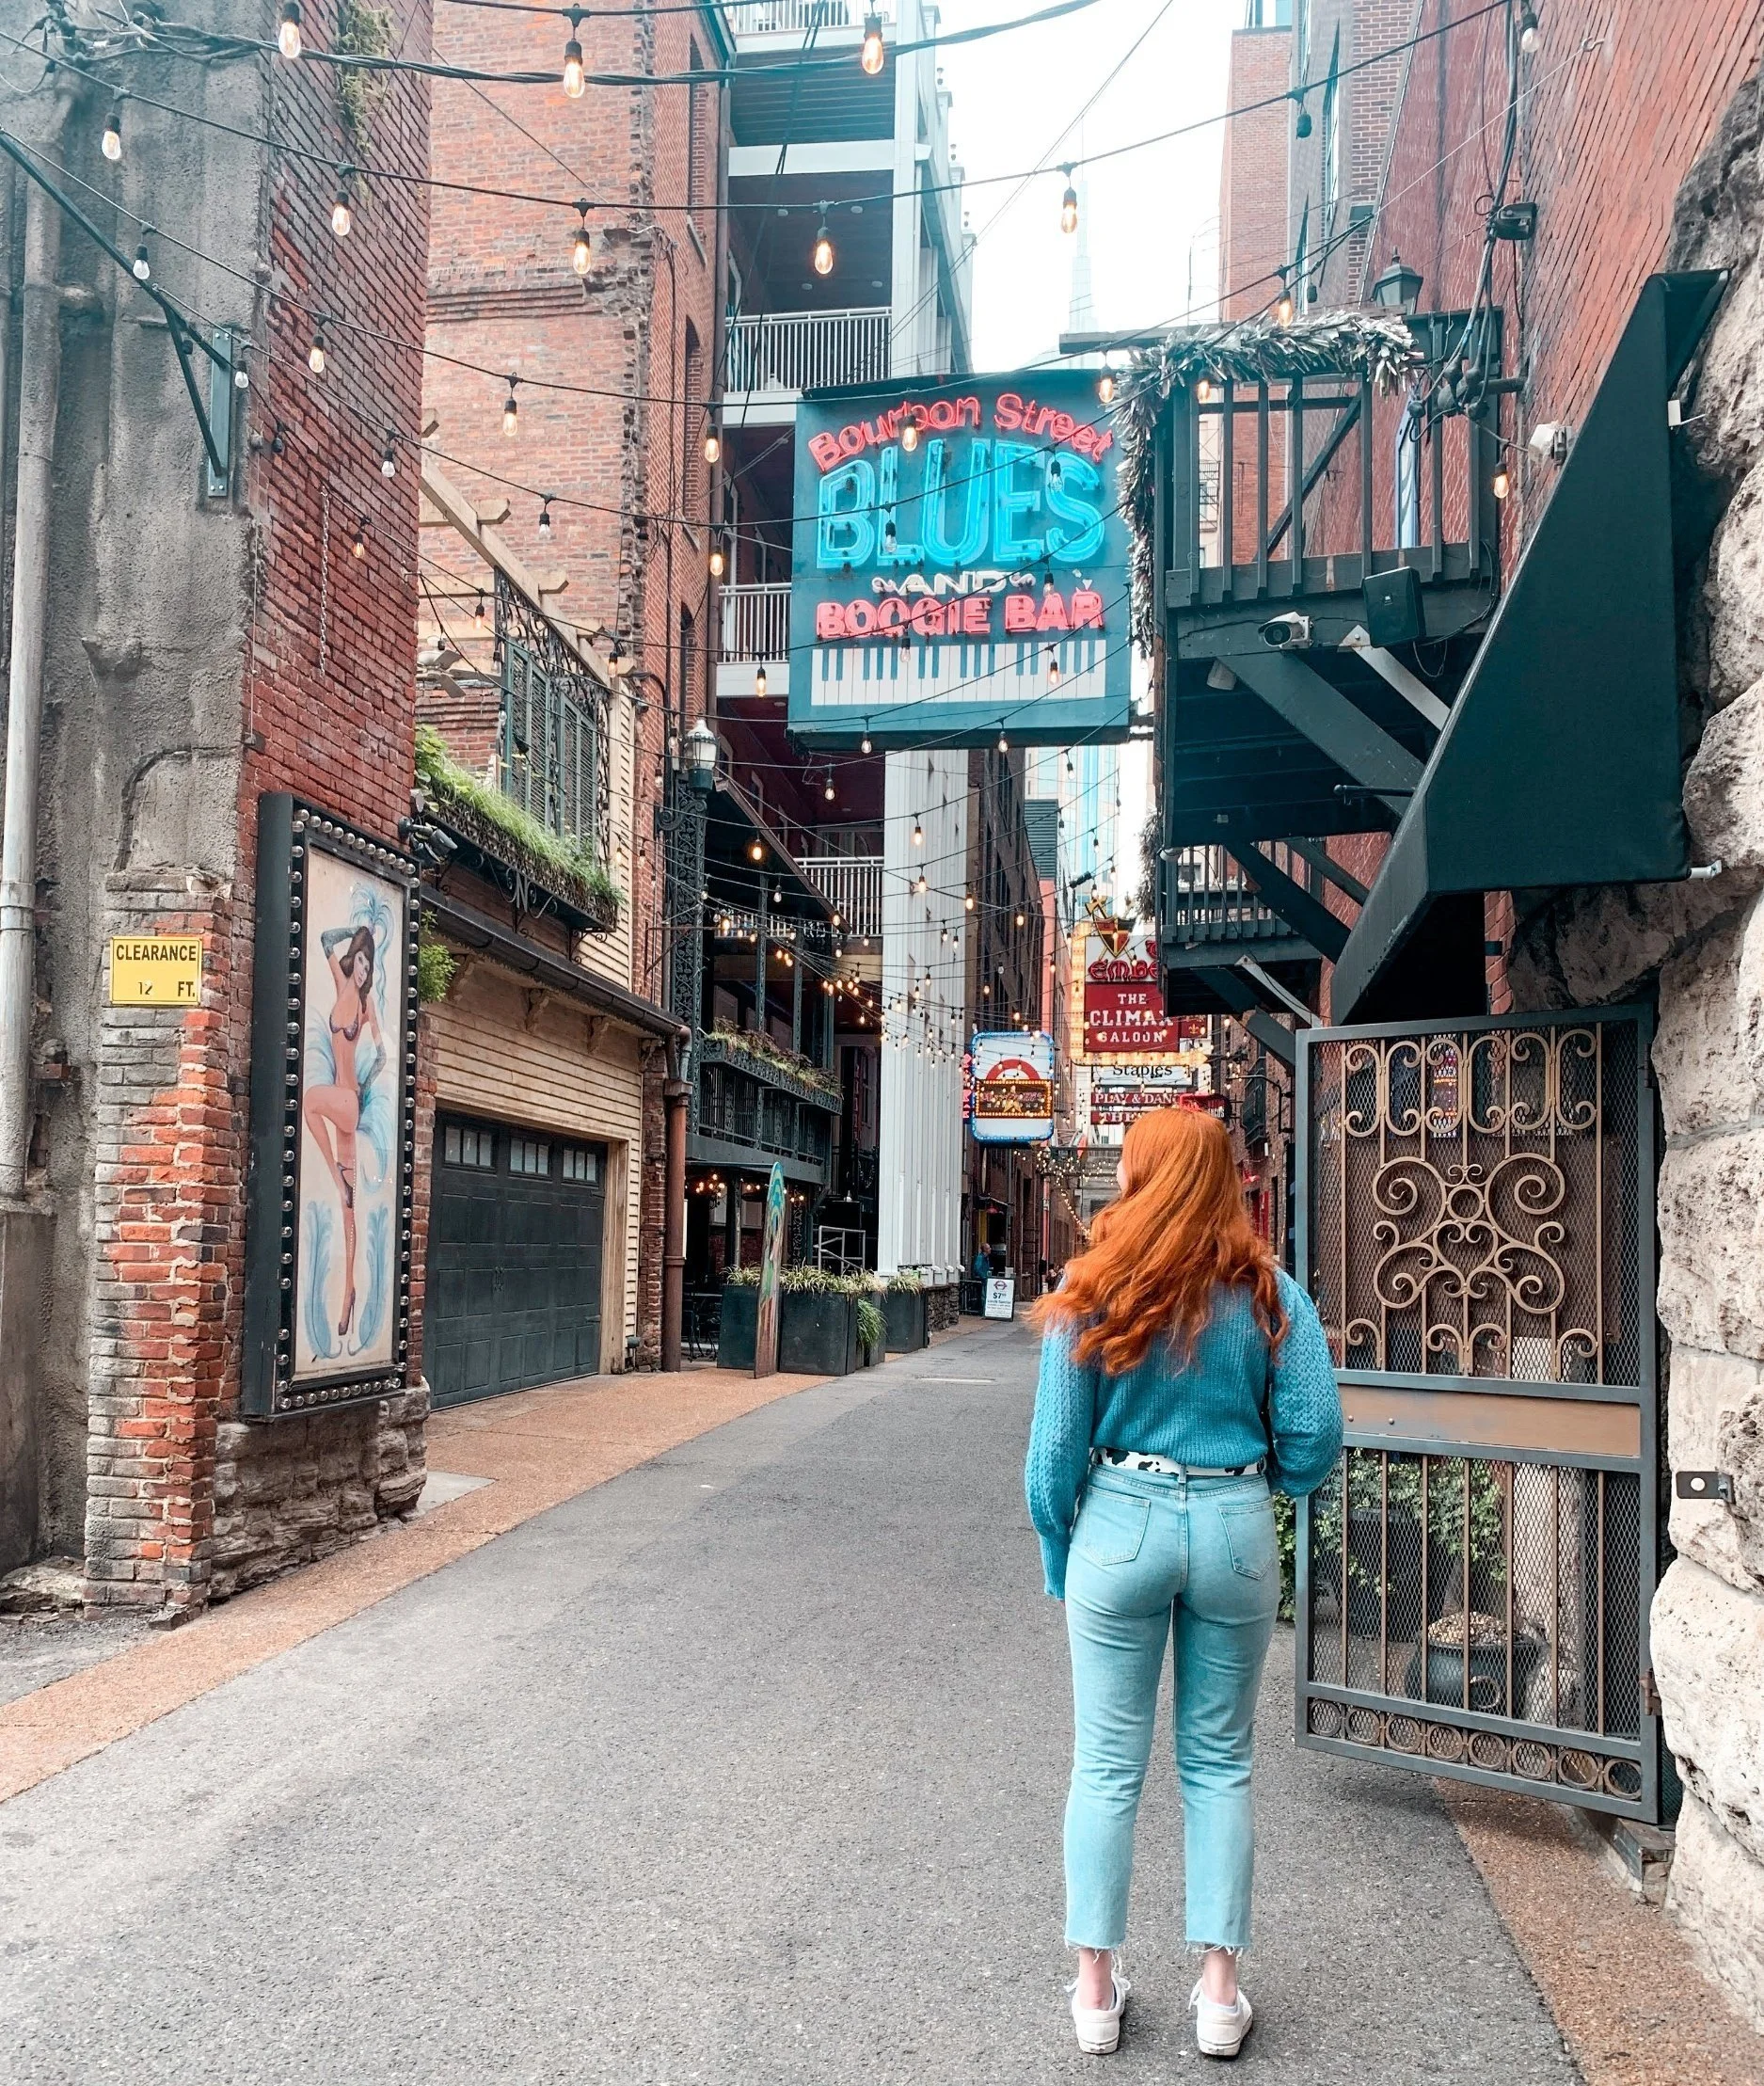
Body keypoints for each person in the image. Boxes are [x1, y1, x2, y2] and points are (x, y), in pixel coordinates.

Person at [1025, 1107, 1341, 2062]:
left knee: (1107, 1765)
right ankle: (1217, 1995)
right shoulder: (1270, 1293)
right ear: (1225, 1181)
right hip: (1235, 1522)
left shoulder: (1091, 1292)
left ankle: (1093, 1995)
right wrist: (1261, 1489)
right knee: (1217, 1762)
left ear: (1136, 1176)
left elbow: (1050, 1462)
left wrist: (1060, 1554)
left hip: (1119, 1521)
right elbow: (1318, 1433)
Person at [302, 923, 385, 1340]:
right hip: (341, 1106)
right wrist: (354, 931)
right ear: (354, 961)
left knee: (309, 1101)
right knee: (348, 1210)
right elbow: (321, 940)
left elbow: (383, 1055)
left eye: (370, 964)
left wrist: (366, 1088)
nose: (364, 970)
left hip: (348, 1102)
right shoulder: (340, 981)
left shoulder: (367, 1007)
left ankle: (336, 1180)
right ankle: (349, 1293)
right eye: (361, 960)